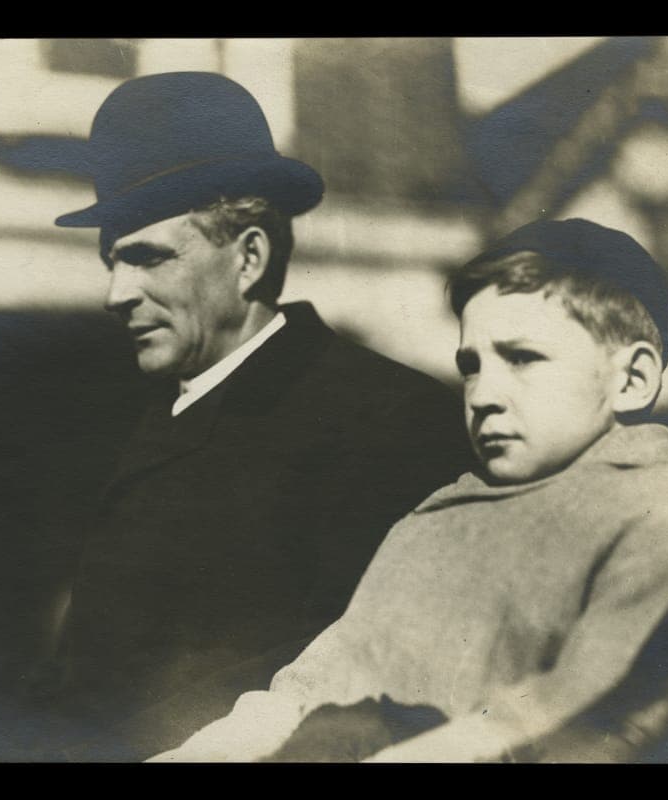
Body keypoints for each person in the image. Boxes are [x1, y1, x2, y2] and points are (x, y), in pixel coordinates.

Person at [149, 217, 668, 762]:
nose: (483, 394)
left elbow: (582, 710)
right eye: (471, 365)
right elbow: (310, 687)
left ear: (633, 380)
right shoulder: (436, 518)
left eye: (522, 358)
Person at [42, 72, 474, 759]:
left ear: (248, 257)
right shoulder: (148, 422)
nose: (116, 293)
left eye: (147, 258)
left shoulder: (389, 422)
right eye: (110, 263)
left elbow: (374, 693)